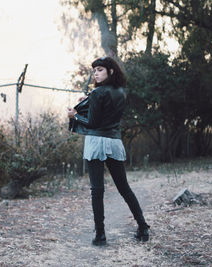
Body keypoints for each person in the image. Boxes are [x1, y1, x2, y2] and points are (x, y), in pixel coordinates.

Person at [67, 56, 150, 246]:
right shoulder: (121, 92)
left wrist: (75, 115)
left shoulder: (98, 93)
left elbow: (94, 122)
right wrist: (87, 101)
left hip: (96, 143)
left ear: (110, 71)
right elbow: (105, 112)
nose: (96, 73)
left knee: (97, 190)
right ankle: (143, 227)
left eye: (100, 70)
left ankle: (100, 235)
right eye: (94, 70)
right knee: (124, 187)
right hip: (113, 141)